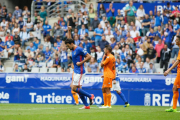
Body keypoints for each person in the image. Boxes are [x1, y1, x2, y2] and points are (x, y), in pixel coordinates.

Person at [65, 38, 94, 109]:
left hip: (80, 71)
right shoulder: (73, 49)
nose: (68, 47)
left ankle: (90, 96)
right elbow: (69, 38)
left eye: (68, 46)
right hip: (76, 71)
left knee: (73, 87)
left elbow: (89, 56)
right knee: (78, 89)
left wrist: (81, 63)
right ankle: (86, 105)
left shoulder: (79, 49)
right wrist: (69, 30)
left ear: (72, 44)